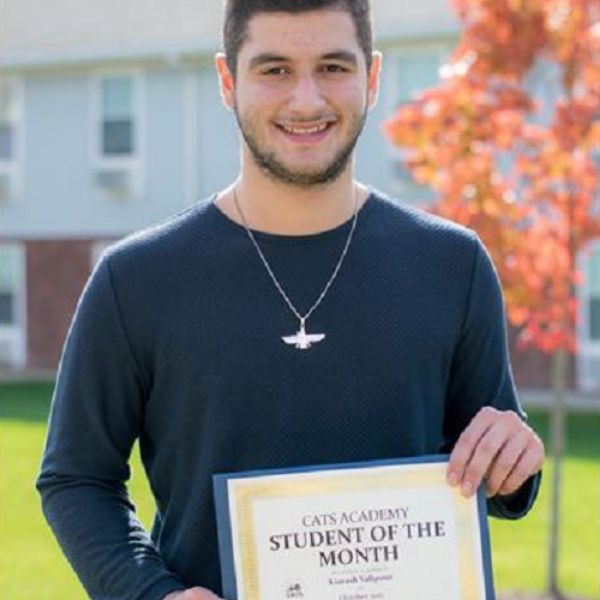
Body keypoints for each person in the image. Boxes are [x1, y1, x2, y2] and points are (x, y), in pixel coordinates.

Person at [37, 1, 544, 599]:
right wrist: (153, 592)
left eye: (333, 67)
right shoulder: (137, 279)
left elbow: (494, 467)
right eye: (274, 70)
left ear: (372, 78)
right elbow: (77, 477)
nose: (306, 101)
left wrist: (515, 457)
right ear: (227, 81)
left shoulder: (452, 265)